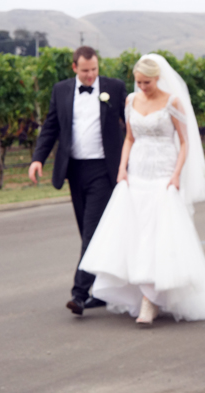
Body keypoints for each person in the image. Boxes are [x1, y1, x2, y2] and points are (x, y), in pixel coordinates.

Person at [78, 54, 205, 324]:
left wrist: (176, 174)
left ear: (158, 78)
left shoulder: (172, 101)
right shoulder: (132, 101)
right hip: (138, 171)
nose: (142, 87)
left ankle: (151, 299)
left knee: (159, 234)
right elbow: (130, 137)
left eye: (147, 82)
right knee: (135, 232)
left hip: (163, 171)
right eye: (138, 82)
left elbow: (185, 141)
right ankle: (138, 293)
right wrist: (122, 168)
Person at [28, 46, 128, 315]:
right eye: (85, 71)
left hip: (104, 171)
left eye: (94, 70)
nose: (90, 75)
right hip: (74, 171)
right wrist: (38, 158)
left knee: (92, 232)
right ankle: (103, 290)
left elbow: (132, 124)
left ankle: (79, 293)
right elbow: (51, 126)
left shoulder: (115, 88)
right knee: (89, 232)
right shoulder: (61, 90)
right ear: (74, 68)